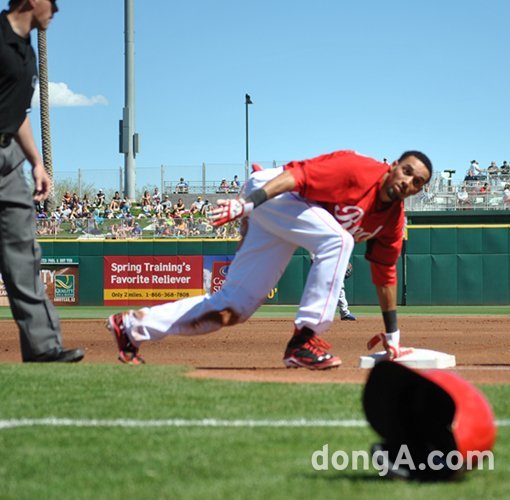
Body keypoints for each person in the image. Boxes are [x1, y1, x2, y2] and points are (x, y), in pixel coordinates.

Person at [107, 150, 432, 368]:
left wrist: (393, 338)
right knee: (339, 239)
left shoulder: (393, 221)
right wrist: (247, 204)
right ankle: (304, 339)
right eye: (406, 172)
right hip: (276, 194)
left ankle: (132, 327)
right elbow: (297, 177)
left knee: (232, 308)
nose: (408, 182)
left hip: (289, 221)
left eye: (417, 182)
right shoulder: (357, 169)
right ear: (393, 167)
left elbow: (385, 274)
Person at [0, 0, 83, 362]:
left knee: (24, 258)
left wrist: (37, 163)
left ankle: (44, 349)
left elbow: (17, 113)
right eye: (53, 2)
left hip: (9, 163)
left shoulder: (26, 52)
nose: (57, 10)